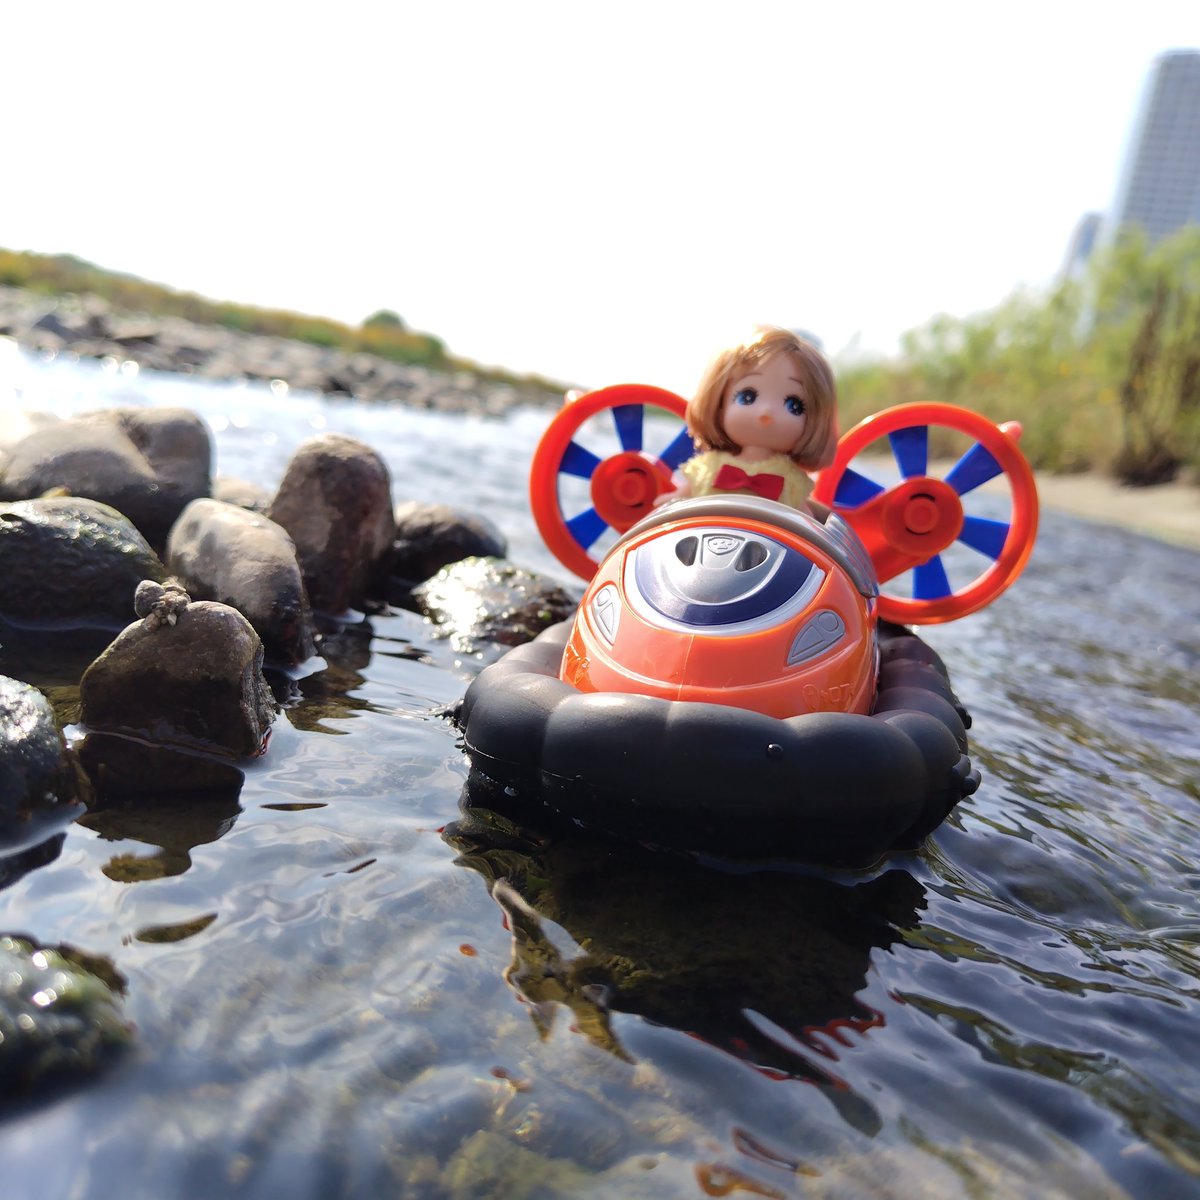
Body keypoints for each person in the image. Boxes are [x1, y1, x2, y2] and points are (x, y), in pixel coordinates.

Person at [661, 325, 839, 518]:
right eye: (747, 397)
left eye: (794, 405)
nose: (766, 412)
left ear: (814, 421)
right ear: (719, 404)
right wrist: (669, 501)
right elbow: (680, 498)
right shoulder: (711, 466)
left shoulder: (790, 480)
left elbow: (804, 516)